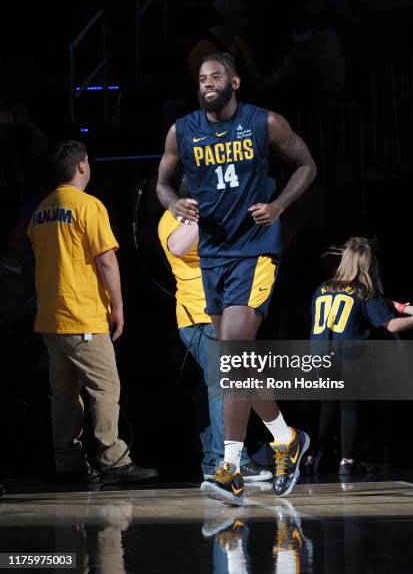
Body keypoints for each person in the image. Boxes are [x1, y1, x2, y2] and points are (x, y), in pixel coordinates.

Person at [156, 53, 317, 505]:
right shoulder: (182, 131)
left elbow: (306, 164)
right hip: (214, 257)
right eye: (202, 78)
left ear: (235, 82)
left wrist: (280, 205)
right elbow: (162, 183)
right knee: (239, 366)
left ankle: (229, 469)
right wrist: (173, 204)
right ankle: (286, 441)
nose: (207, 83)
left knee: (232, 362)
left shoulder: (264, 122)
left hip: (254, 251)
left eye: (215, 76)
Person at [27, 140, 158, 484]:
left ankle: (68, 461)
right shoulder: (88, 206)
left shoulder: (40, 211)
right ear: (82, 166)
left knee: (65, 394)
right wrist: (118, 305)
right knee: (104, 387)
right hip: (81, 314)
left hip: (50, 319)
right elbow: (106, 259)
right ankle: (112, 458)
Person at [307, 237, 413, 475]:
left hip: (320, 355)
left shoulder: (322, 288)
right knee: (349, 408)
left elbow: (382, 303)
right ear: (367, 264)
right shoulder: (364, 291)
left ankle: (311, 456)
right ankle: (346, 462)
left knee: (326, 410)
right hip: (349, 356)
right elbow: (390, 325)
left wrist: (410, 308)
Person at [158, 204, 273, 482]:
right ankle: (232, 462)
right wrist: (207, 210)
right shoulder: (174, 217)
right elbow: (176, 245)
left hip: (218, 313)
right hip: (201, 316)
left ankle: (214, 460)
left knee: (215, 387)